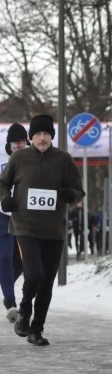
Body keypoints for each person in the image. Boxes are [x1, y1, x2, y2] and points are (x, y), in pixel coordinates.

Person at [0, 114, 85, 346]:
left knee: (47, 282)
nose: (42, 138)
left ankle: (36, 330)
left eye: (46, 134)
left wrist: (71, 195)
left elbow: (78, 189)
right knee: (34, 274)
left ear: (52, 137)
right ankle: (25, 308)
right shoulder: (19, 158)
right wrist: (5, 199)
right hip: (25, 226)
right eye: (37, 134)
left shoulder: (63, 159)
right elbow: (2, 182)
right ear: (31, 137)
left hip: (53, 229)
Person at [1, 123, 28, 323]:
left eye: (22, 142)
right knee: (5, 256)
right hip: (2, 214)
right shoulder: (2, 159)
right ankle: (10, 302)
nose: (19, 146)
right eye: (15, 143)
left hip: (24, 215)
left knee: (21, 264)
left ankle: (6, 284)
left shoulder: (31, 158)